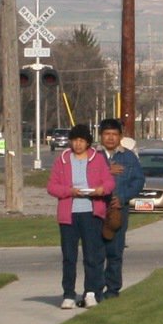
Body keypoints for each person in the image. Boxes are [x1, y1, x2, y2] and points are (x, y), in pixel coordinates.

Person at [47, 123, 115, 309]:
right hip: (68, 215)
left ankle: (91, 292)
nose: (78, 144)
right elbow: (52, 187)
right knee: (69, 256)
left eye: (81, 141)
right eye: (75, 140)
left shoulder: (98, 159)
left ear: (87, 142)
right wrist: (69, 191)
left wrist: (100, 190)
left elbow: (109, 182)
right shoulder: (62, 159)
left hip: (91, 213)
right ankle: (68, 294)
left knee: (91, 256)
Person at [97, 118, 145, 298]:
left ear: (120, 137)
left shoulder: (128, 157)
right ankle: (94, 290)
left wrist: (123, 198)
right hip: (96, 209)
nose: (110, 138)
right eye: (107, 134)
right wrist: (106, 170)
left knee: (115, 252)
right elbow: (84, 177)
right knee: (96, 253)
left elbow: (138, 181)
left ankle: (112, 289)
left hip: (118, 210)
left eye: (114, 134)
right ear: (101, 136)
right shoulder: (93, 156)